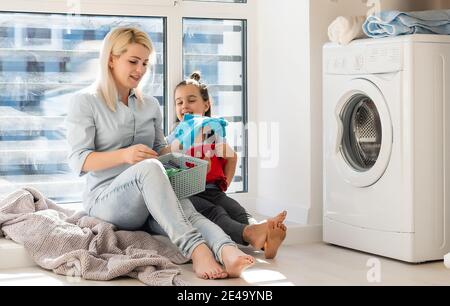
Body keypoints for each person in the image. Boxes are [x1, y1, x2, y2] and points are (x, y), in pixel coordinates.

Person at [64, 27, 255, 280]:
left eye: (145, 63)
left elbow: (161, 151)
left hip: (150, 191)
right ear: (111, 59)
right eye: (133, 61)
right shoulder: (86, 101)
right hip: (106, 199)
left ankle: (227, 250)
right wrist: (125, 155)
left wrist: (190, 157)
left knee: (186, 209)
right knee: (152, 170)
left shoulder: (150, 105)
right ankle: (197, 250)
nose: (140, 70)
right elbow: (79, 160)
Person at [165, 72, 287, 259]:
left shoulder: (213, 133)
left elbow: (231, 158)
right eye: (179, 102)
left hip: (213, 189)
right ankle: (255, 233)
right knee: (217, 212)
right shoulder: (177, 134)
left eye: (191, 100)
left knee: (236, 209)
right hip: (189, 192)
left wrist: (225, 184)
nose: (184, 106)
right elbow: (165, 157)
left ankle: (265, 237)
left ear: (206, 105)